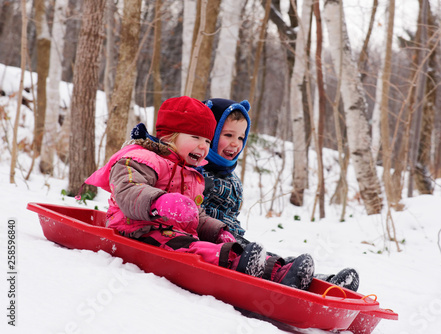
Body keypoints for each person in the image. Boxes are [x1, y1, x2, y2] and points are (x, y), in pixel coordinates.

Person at [83, 96, 266, 278]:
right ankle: (232, 263)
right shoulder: (141, 158)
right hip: (137, 230)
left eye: (208, 141)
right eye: (196, 137)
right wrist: (159, 202)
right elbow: (127, 191)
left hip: (172, 234)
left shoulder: (190, 173)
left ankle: (275, 270)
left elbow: (197, 216)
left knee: (198, 244)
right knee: (191, 248)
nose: (203, 146)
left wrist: (218, 231)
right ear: (171, 136)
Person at [200, 98, 359, 291]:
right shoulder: (196, 172)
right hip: (211, 242)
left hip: (233, 239)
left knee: (265, 256)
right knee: (257, 258)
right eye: (228, 135)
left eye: (241, 138)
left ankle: (321, 282)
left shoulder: (232, 179)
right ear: (210, 134)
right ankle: (284, 275)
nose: (236, 143)